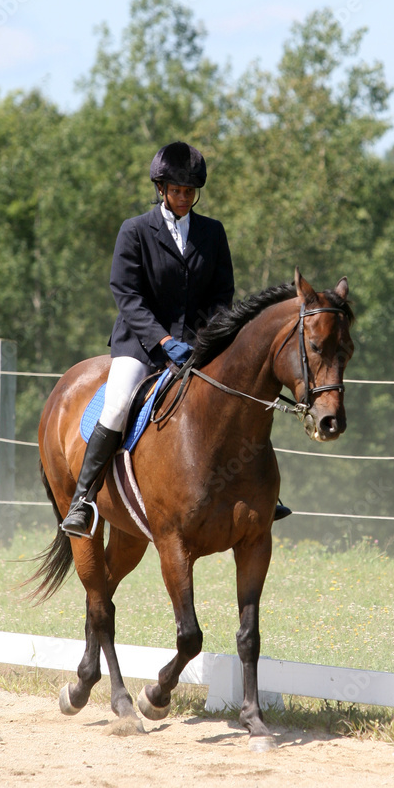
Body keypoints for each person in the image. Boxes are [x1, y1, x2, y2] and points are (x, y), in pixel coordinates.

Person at [61, 140, 235, 537]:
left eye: (190, 192)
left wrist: (206, 339)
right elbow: (126, 294)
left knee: (235, 390)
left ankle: (258, 492)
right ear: (162, 189)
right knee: (119, 401)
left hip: (196, 345)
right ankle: (83, 500)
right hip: (140, 344)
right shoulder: (136, 230)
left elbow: (222, 295)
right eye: (176, 191)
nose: (183, 198)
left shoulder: (212, 233)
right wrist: (162, 341)